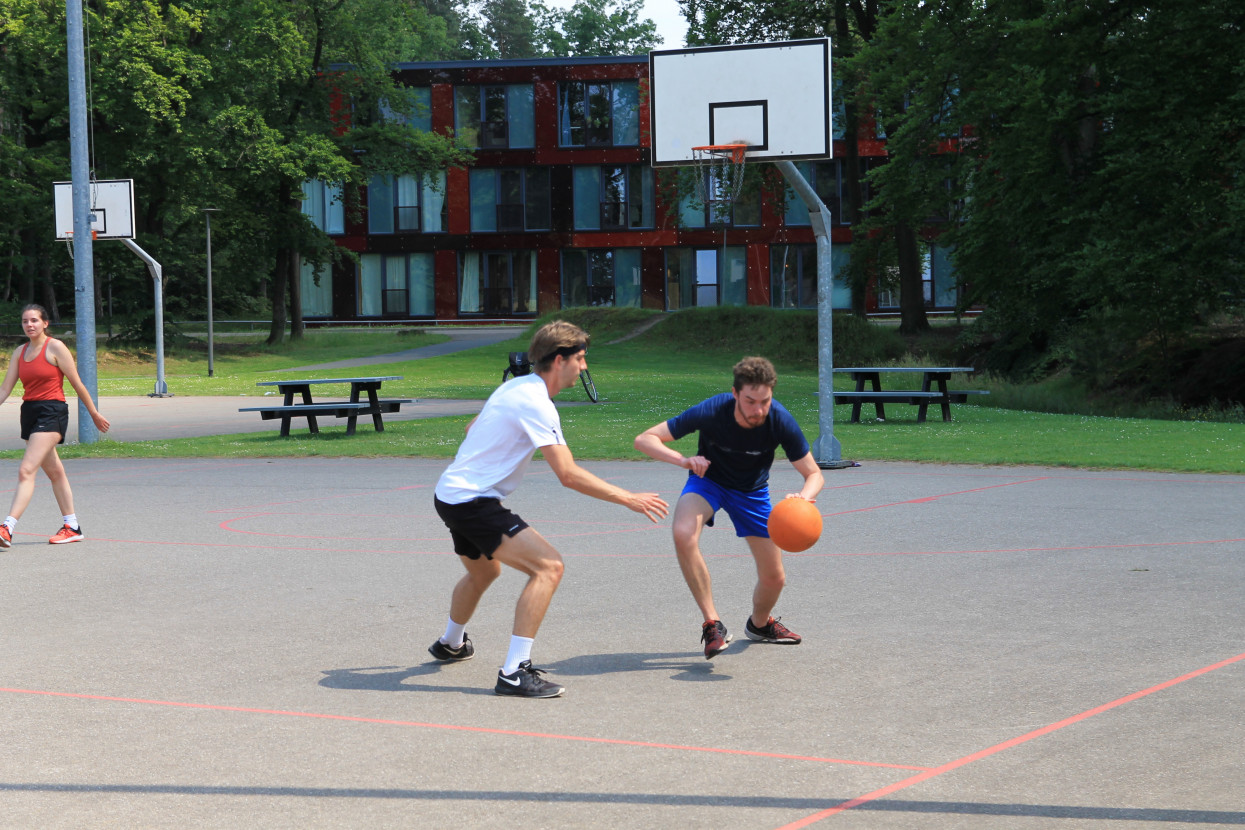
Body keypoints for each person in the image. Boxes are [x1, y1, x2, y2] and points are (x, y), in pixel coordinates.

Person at [429, 320, 668, 698]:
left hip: (451, 494)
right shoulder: (536, 403)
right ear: (560, 360)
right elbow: (568, 475)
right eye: (581, 359)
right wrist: (630, 498)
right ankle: (514, 672)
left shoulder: (515, 386)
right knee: (549, 566)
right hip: (472, 501)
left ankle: (450, 643)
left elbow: (472, 427)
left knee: (484, 571)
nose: (584, 367)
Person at [634, 356, 824, 659]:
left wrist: (804, 496)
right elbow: (645, 439)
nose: (758, 410)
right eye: (750, 401)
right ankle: (713, 624)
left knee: (775, 578)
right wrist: (683, 460)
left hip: (752, 492)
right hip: (709, 483)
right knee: (683, 532)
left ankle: (760, 624)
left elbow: (813, 473)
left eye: (765, 401)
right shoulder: (713, 410)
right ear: (735, 394)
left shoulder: (779, 419)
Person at [0, 304, 111, 548]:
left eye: (34, 321)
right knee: (55, 472)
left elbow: (77, 383)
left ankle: (7, 527)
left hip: (52, 412)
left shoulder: (55, 347)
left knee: (26, 470)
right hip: (29, 413)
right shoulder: (20, 352)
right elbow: (6, 388)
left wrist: (93, 413)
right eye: (25, 321)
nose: (29, 325)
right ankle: (72, 526)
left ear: (45, 323)